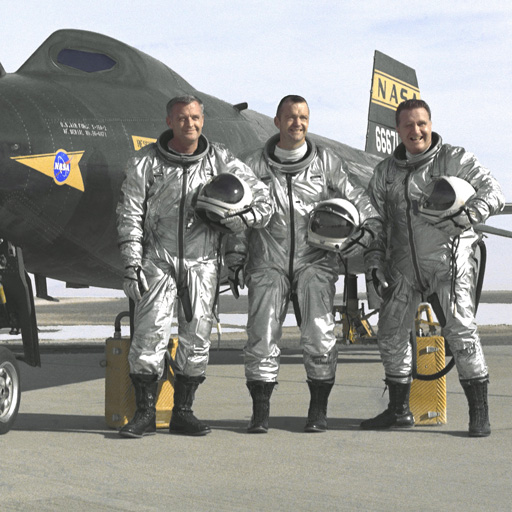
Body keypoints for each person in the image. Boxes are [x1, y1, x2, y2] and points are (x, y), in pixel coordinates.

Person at [116, 95, 273, 438]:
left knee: (197, 338)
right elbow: (129, 213)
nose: (191, 124)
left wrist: (239, 220)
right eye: (183, 118)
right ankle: (144, 412)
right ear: (169, 121)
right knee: (149, 336)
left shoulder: (219, 159)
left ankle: (182, 411)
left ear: (203, 119)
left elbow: (263, 200)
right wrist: (131, 262)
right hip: (158, 260)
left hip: (203, 263)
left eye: (196, 117)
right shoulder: (146, 163)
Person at [224, 95, 379, 433]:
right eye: (291, 117)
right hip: (268, 260)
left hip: (315, 262)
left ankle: (318, 412)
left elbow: (361, 200)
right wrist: (235, 259)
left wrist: (367, 234)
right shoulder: (252, 165)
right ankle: (260, 414)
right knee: (261, 338)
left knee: (320, 338)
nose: (298, 123)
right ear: (278, 122)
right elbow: (238, 216)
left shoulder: (326, 163)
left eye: (303, 117)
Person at [361, 98, 504, 437]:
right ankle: (399, 410)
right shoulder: (384, 174)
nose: (416, 131)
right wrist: (373, 262)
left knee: (461, 331)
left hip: (448, 260)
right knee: (391, 333)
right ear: (398, 130)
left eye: (421, 123)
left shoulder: (454, 159)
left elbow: (494, 191)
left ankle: (478, 412)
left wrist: (469, 215)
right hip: (403, 266)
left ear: (430, 123)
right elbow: (375, 222)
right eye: (408, 125)